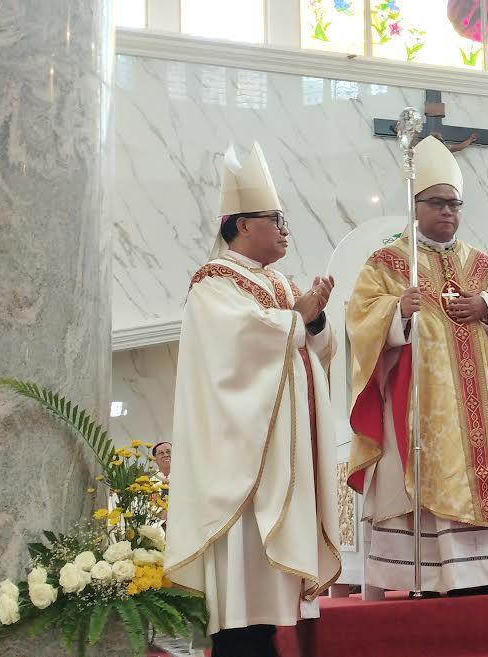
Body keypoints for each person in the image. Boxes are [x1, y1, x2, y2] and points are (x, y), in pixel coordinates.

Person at [164, 142, 342, 657]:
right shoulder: (214, 283)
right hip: (241, 461)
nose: (286, 230)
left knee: (268, 604)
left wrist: (313, 320)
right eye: (276, 220)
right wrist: (296, 319)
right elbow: (238, 344)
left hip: (283, 460)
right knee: (241, 601)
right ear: (242, 224)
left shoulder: (279, 283)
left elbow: (316, 351)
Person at [346, 136, 488, 596]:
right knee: (425, 477)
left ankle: (479, 576)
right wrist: (397, 313)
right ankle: (426, 577)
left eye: (455, 204)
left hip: (477, 406)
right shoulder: (389, 263)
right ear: (416, 206)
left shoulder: (482, 265)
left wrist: (485, 305)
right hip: (421, 405)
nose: (448, 212)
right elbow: (360, 317)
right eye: (438, 203)